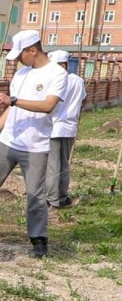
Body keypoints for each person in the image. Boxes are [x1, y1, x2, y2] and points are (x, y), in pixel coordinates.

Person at [0, 30, 67, 258]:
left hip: (36, 146)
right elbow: (11, 109)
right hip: (8, 141)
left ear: (33, 50)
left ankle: (39, 239)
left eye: (21, 55)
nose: (18, 60)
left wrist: (14, 100)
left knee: (35, 195)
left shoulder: (57, 74)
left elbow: (48, 105)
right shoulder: (20, 75)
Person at [46, 50, 86, 209]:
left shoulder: (56, 81)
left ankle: (52, 199)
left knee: (53, 165)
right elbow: (84, 99)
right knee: (63, 164)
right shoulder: (78, 80)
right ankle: (62, 196)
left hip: (55, 127)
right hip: (69, 128)